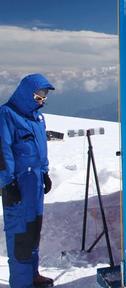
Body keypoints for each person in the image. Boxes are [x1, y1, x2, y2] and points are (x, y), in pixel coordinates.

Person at [0, 74, 54, 288]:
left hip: (35, 182)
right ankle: (21, 283)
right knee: (20, 233)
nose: (42, 99)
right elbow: (2, 153)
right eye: (39, 94)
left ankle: (33, 274)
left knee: (33, 229)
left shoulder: (37, 118)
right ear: (26, 93)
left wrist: (46, 172)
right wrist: (7, 183)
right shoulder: (6, 115)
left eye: (45, 95)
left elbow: (41, 148)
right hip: (18, 185)